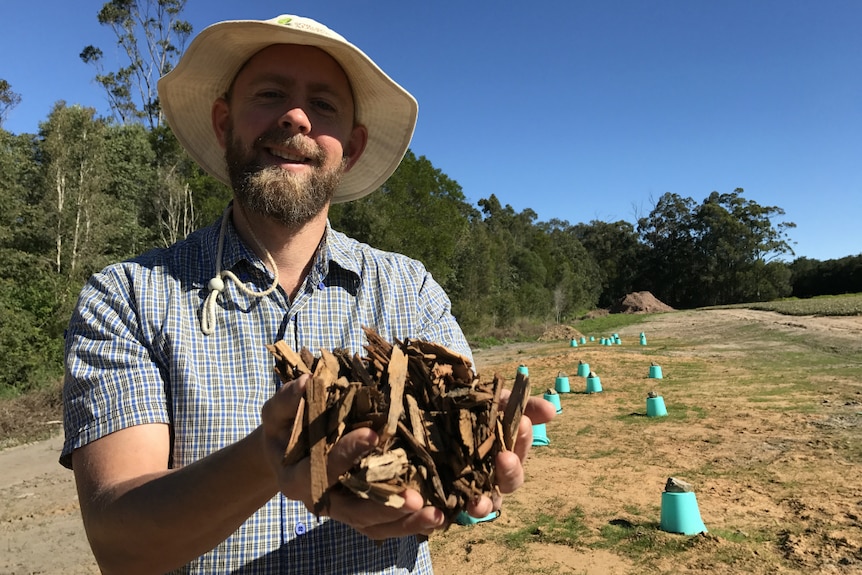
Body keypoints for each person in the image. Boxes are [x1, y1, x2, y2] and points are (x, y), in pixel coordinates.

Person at [61, 14, 555, 575]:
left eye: (323, 106)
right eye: (270, 94)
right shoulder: (126, 297)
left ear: (352, 145)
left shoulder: (409, 289)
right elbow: (119, 543)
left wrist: (482, 464)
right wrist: (268, 459)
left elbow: (459, 446)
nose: (295, 116)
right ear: (224, 123)